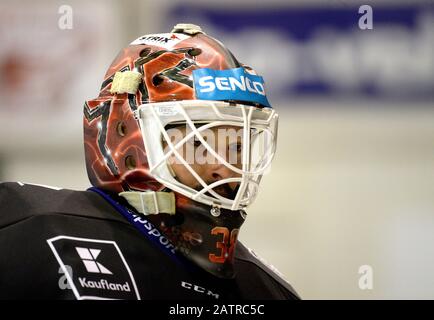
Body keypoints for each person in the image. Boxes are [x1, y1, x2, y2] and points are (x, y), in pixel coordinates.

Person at [0, 23, 299, 300]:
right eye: (198, 143)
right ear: (126, 134)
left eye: (235, 147)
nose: (225, 168)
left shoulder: (265, 288)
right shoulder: (30, 231)